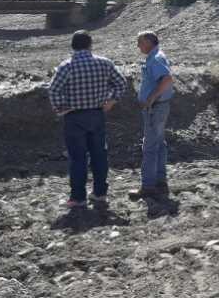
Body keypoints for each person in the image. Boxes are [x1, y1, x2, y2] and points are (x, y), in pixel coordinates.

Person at [48, 30, 127, 208]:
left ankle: (78, 197)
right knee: (99, 155)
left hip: (74, 117)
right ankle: (100, 193)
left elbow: (53, 90)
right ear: (90, 44)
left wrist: (62, 107)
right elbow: (121, 83)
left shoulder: (66, 66)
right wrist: (112, 101)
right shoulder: (105, 63)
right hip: (97, 114)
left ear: (72, 46)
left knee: (78, 158)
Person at [129, 30, 175, 200]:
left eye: (140, 42)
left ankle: (148, 186)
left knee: (149, 147)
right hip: (160, 107)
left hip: (155, 108)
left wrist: (150, 99)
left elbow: (167, 79)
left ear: (149, 41)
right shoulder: (156, 56)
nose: (138, 46)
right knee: (159, 144)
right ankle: (160, 181)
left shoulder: (155, 58)